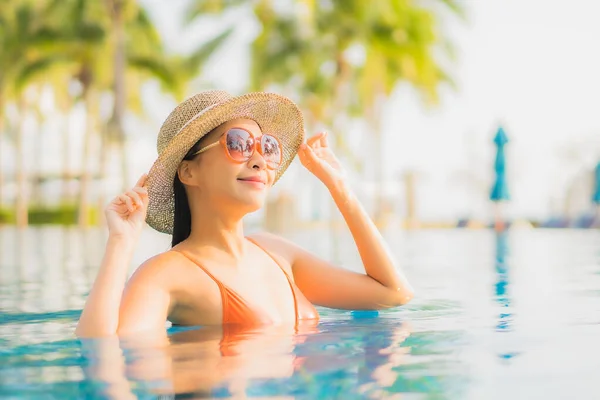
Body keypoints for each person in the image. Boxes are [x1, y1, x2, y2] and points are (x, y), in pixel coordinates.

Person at [75, 90, 414, 339]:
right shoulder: (167, 274)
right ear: (189, 172)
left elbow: (392, 293)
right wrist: (120, 243)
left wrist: (341, 188)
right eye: (238, 143)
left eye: (266, 147)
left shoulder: (278, 253)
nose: (259, 160)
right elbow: (102, 351)